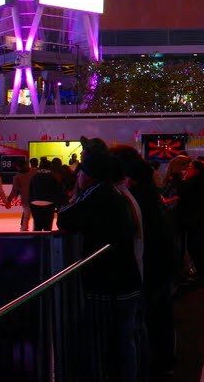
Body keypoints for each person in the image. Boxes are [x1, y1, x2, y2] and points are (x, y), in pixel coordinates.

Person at [58, 140, 145, 382]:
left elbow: (64, 218)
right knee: (124, 340)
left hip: (108, 284)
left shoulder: (99, 193)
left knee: (100, 343)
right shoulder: (118, 194)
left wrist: (75, 198)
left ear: (91, 175)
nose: (79, 175)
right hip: (125, 280)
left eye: (82, 171)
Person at [118, 147, 180, 378]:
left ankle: (156, 362)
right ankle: (165, 359)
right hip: (163, 263)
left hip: (152, 265)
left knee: (151, 316)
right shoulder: (151, 197)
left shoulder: (136, 200)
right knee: (160, 315)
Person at [178, 159, 204, 286]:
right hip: (199, 219)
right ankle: (203, 273)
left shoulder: (194, 182)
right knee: (196, 247)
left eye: (190, 168)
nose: (187, 170)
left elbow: (182, 192)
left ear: (196, 171)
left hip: (197, 220)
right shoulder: (199, 181)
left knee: (196, 247)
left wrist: (183, 179)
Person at [29, 157, 67, 230]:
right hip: (49, 202)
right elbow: (57, 190)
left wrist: (30, 202)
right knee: (47, 226)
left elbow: (30, 191)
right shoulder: (52, 177)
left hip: (35, 203)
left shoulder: (34, 177)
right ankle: (47, 240)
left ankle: (37, 239)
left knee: (37, 225)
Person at [7, 157, 38, 231]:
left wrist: (8, 200)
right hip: (35, 198)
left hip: (25, 199)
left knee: (26, 216)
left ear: (18, 167)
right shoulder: (34, 171)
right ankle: (36, 231)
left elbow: (14, 190)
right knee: (36, 217)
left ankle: (24, 230)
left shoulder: (17, 177)